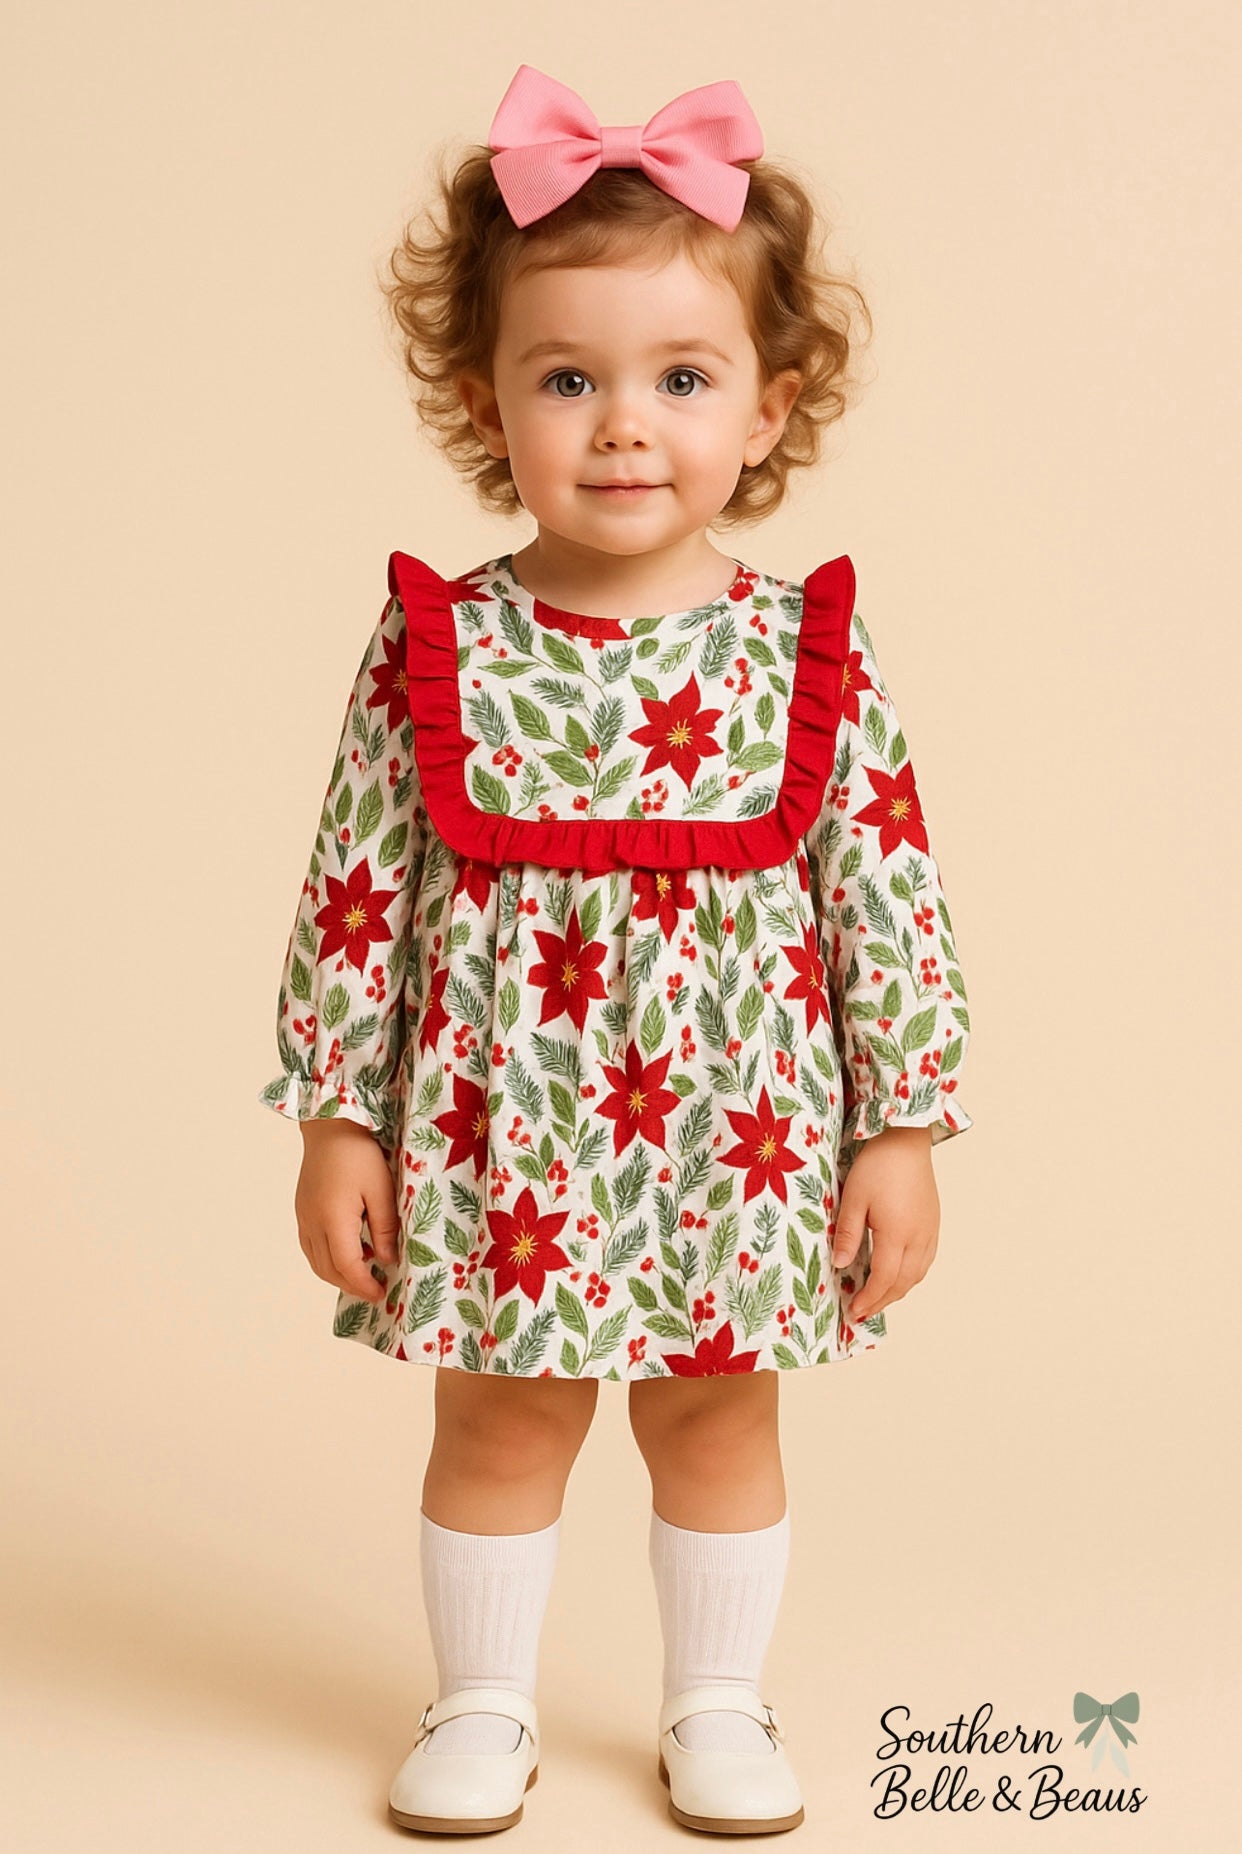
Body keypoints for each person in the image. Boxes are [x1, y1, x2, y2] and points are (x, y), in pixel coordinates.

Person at [258, 63, 974, 1838]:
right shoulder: (438, 646)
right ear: (482, 398)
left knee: (716, 1421)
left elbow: (883, 895)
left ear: (767, 403)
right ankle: (482, 1702)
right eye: (565, 378)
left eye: (679, 378)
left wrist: (899, 1129)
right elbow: (359, 889)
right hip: (505, 1135)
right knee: (498, 1420)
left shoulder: (802, 655)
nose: (622, 425)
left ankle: (715, 1703)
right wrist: (339, 1114)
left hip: (738, 1141)